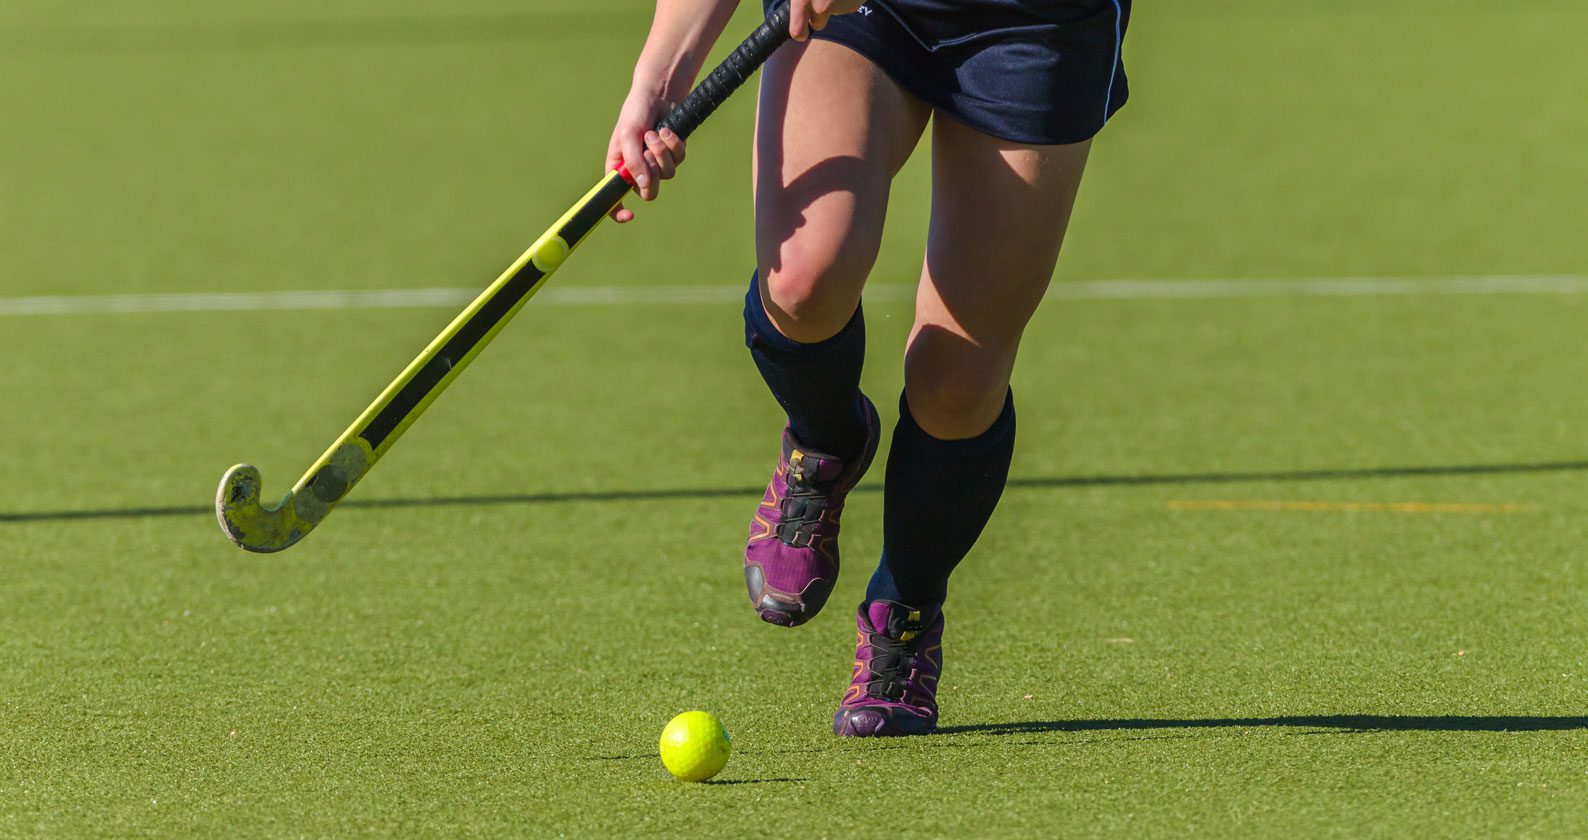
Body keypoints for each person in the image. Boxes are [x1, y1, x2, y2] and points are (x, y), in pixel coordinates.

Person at [605, 0, 1130, 736]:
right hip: (869, 15)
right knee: (802, 279)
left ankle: (905, 610)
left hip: (1033, 24)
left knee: (956, 379)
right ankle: (826, 440)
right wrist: (656, 81)